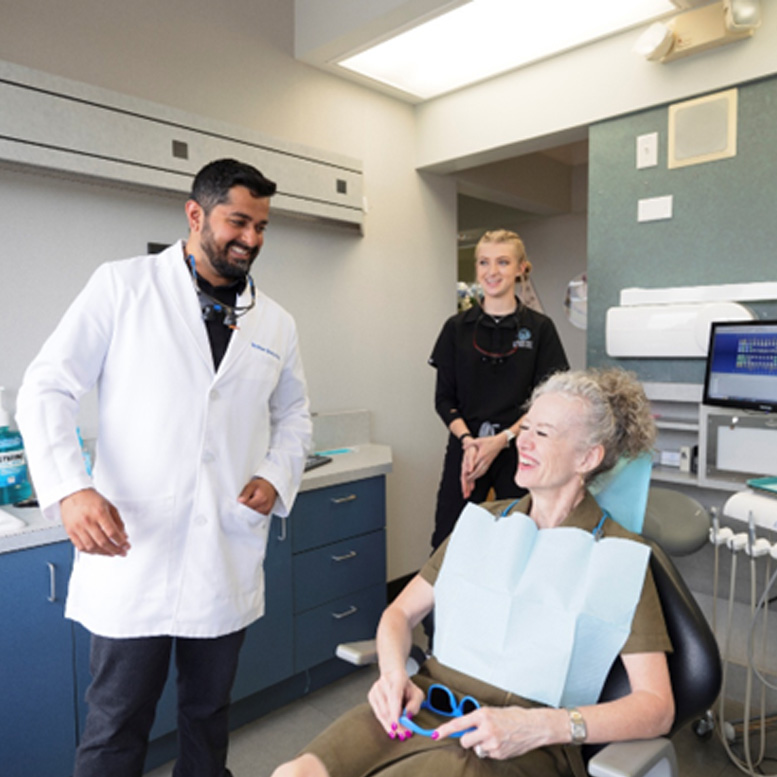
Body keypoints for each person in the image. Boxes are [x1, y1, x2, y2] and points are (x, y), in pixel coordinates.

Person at [16, 158, 312, 777]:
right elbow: (46, 386)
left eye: (261, 226)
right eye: (238, 221)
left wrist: (276, 474)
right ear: (196, 214)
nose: (251, 239)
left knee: (207, 714)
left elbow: (295, 417)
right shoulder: (122, 287)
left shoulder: (276, 321)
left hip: (223, 548)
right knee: (117, 720)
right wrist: (72, 488)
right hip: (134, 549)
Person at [271, 368, 674, 777]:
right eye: (526, 428)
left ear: (588, 457)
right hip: (423, 704)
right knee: (296, 773)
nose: (524, 443)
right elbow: (399, 614)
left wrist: (542, 726)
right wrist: (394, 675)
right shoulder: (482, 523)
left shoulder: (619, 558)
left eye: (545, 434)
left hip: (519, 742)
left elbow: (657, 706)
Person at [428, 229, 569, 549]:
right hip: (467, 451)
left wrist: (502, 439)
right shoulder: (455, 328)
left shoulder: (540, 329)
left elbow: (548, 401)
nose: (492, 272)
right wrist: (469, 442)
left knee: (520, 540)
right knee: (448, 541)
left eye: (503, 262)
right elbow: (443, 399)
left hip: (522, 448)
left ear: (521, 268)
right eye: (484, 262)